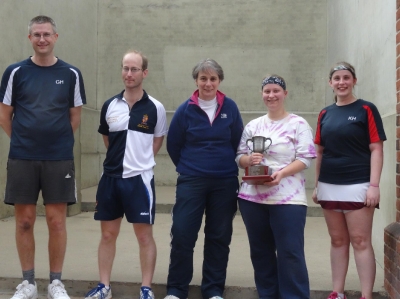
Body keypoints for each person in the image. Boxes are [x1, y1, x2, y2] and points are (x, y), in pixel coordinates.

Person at [0, 15, 86, 299]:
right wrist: (25, 140)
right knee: (24, 220)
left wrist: (55, 139)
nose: (42, 39)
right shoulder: (15, 72)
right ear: (30, 38)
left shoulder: (72, 73)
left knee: (56, 221)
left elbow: (74, 116)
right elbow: (4, 114)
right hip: (22, 158)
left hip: (58, 158)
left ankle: (55, 283)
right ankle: (28, 284)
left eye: (46, 34)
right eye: (36, 35)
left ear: (55, 37)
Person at [84, 50, 167, 299]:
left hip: (139, 181)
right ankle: (104, 287)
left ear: (144, 73)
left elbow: (157, 141)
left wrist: (138, 163)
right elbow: (108, 140)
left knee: (144, 237)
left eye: (134, 69)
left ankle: (145, 289)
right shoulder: (110, 105)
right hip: (110, 180)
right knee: (107, 234)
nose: (129, 74)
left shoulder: (156, 108)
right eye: (125, 68)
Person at [164, 58, 243, 299]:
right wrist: (190, 168)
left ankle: (213, 289)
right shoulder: (184, 109)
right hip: (192, 181)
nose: (208, 83)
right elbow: (174, 145)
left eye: (213, 79)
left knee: (219, 236)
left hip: (224, 182)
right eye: (203, 78)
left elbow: (238, 142)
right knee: (182, 233)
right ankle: (177, 290)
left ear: (219, 81)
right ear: (196, 80)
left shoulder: (230, 107)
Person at [236, 75, 316, 299]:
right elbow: (239, 156)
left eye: (276, 91)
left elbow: (306, 158)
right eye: (267, 91)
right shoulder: (253, 125)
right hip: (252, 200)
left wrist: (282, 173)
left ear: (285, 94)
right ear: (262, 94)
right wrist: (248, 160)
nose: (271, 95)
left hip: (288, 200)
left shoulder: (298, 124)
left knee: (290, 254)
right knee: (261, 254)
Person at [312, 62, 386, 299]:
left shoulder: (366, 109)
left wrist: (374, 186)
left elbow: (376, 148)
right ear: (330, 83)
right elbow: (320, 152)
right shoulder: (324, 113)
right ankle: (337, 292)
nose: (341, 82)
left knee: (360, 240)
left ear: (354, 81)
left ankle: (366, 295)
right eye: (336, 78)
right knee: (337, 240)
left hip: (359, 185)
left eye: (346, 77)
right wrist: (316, 186)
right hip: (329, 185)